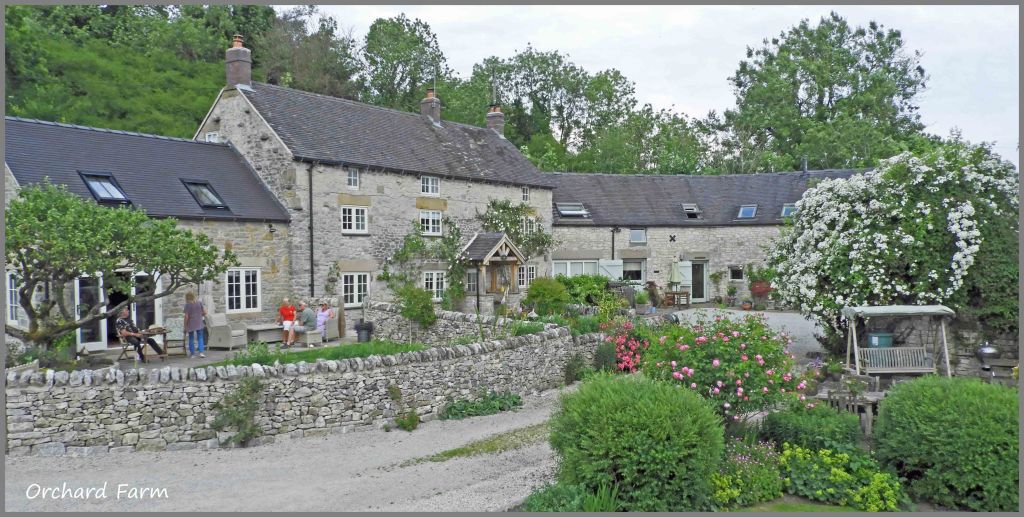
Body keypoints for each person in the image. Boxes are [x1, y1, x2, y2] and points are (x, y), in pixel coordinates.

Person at [183, 292, 208, 359]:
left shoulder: (187, 305)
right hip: (199, 322)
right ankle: (201, 353)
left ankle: (193, 354)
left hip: (191, 323)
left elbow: (186, 317)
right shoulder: (199, 303)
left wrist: (185, 326)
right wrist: (199, 315)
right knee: (200, 338)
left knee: (191, 338)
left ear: (187, 298)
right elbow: (205, 312)